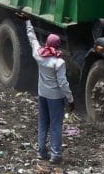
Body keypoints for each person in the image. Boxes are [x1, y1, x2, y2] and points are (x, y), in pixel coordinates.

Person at [24, 19, 73, 164]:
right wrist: (70, 99)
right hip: (56, 98)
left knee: (43, 123)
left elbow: (32, 40)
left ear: (47, 43)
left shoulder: (39, 56)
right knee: (56, 125)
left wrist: (27, 23)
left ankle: (41, 151)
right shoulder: (59, 63)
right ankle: (56, 154)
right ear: (58, 45)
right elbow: (63, 83)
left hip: (42, 94)